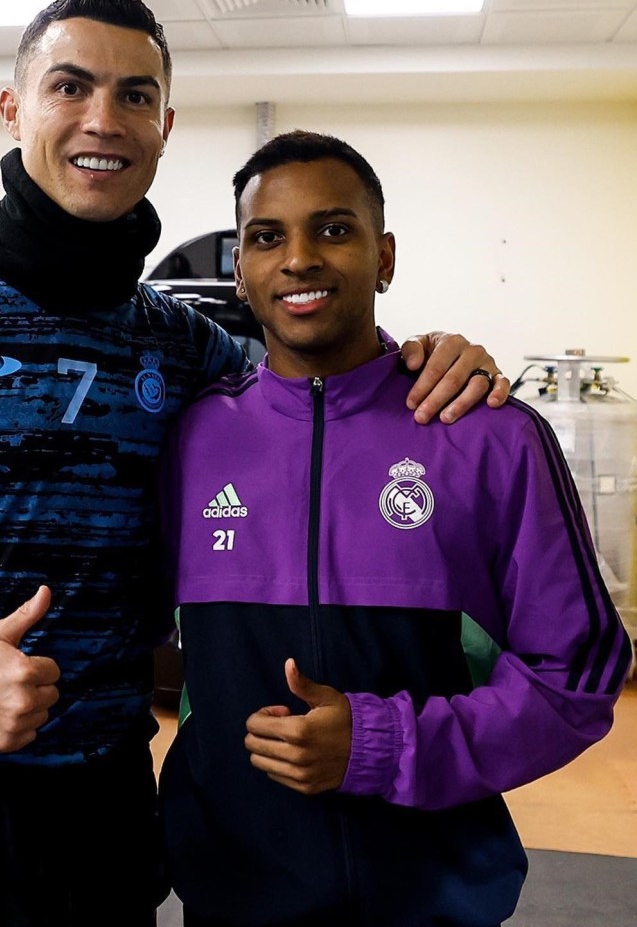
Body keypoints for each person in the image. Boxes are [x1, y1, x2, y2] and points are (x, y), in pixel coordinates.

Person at [0, 0, 507, 927]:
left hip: (107, 810)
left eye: (135, 95)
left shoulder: (184, 350)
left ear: (164, 125)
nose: (104, 119)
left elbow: (318, 390)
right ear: (14, 109)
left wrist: (428, 360)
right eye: (70, 86)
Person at [157, 129, 634, 927]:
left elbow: (577, 676)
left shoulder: (487, 434)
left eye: (333, 229)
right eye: (266, 237)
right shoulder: (189, 438)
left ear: (383, 256)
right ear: (239, 270)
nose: (299, 257)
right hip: (229, 894)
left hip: (432, 898)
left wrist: (384, 745)